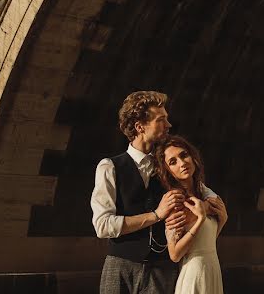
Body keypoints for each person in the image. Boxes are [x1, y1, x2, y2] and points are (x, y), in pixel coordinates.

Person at [91, 91, 188, 293]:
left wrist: (210, 206)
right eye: (162, 120)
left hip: (162, 269)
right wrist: (156, 215)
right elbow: (103, 225)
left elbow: (201, 191)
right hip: (120, 267)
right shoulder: (110, 167)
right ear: (139, 126)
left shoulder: (170, 166)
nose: (169, 125)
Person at [153, 135, 228, 294]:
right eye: (173, 162)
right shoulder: (176, 202)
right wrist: (200, 219)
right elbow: (174, 254)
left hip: (212, 268)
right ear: (168, 171)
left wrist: (222, 220)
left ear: (192, 157)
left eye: (183, 155)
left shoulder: (203, 193)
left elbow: (206, 240)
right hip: (194, 273)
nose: (182, 163)